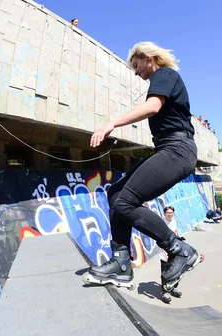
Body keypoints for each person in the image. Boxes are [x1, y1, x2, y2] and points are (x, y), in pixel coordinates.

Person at [84, 42, 202, 291]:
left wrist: (111, 124)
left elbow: (152, 107)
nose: (136, 73)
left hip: (178, 149)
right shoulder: (160, 79)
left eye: (136, 66)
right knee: (115, 193)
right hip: (167, 148)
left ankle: (179, 250)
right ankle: (121, 263)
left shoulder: (165, 74)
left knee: (126, 201)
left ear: (148, 58)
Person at [159, 206, 183, 303]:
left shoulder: (174, 221)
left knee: (176, 270)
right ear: (164, 214)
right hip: (164, 250)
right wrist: (163, 249)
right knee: (165, 271)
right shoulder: (161, 223)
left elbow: (176, 232)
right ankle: (165, 292)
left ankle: (174, 288)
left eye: (171, 213)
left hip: (174, 249)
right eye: (168, 213)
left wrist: (180, 239)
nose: (170, 215)